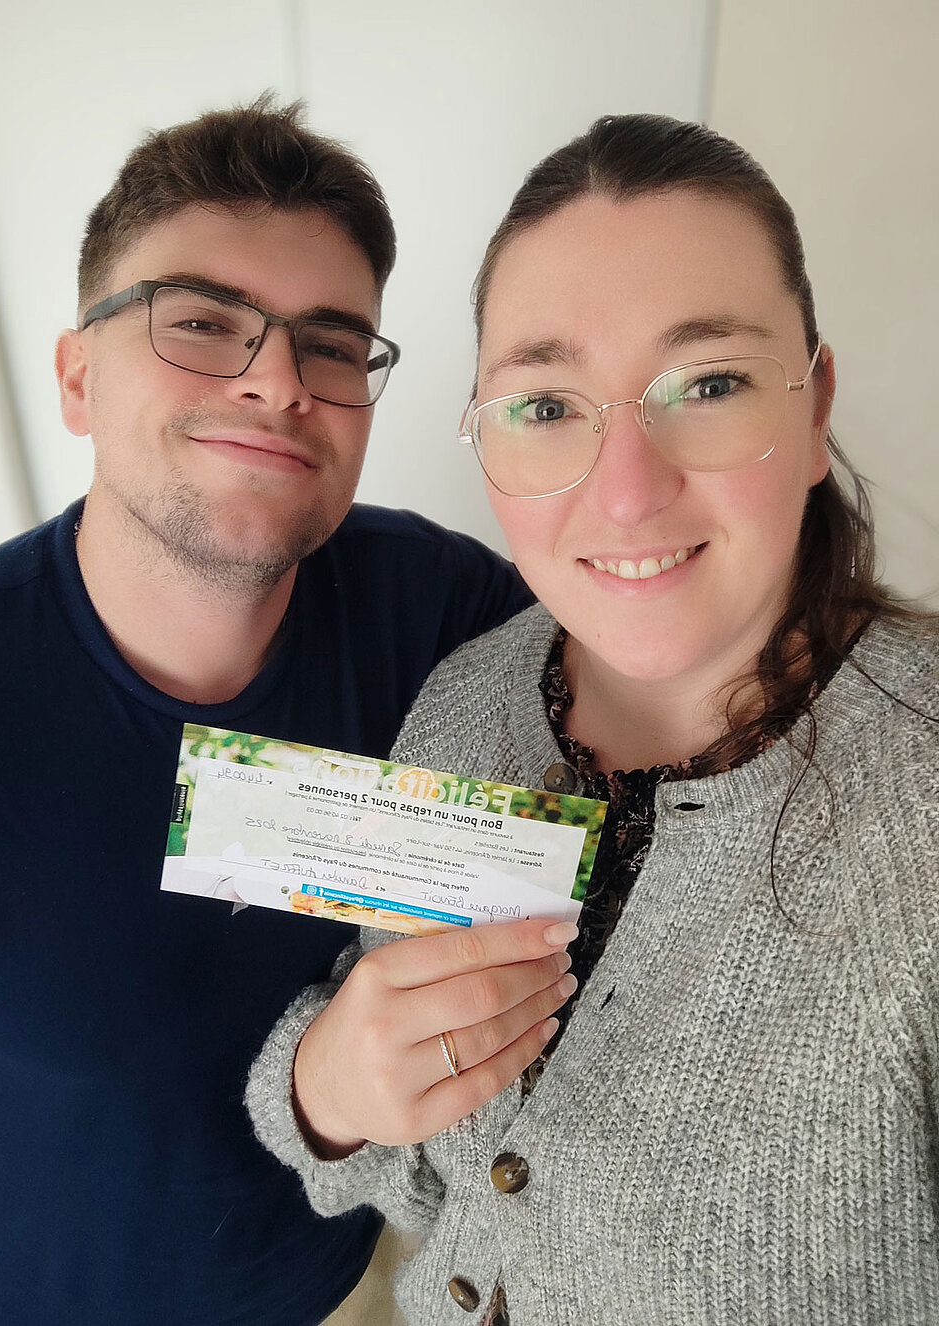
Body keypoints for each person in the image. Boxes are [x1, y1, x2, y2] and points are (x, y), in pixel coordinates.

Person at [245, 113, 939, 1325]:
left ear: (813, 405)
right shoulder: (461, 705)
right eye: (544, 404)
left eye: (708, 384)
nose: (625, 493)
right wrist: (326, 1096)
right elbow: (421, 1172)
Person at [0, 97, 531, 1326]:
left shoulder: (448, 610)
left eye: (331, 344)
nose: (277, 382)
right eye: (203, 323)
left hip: (348, 1285)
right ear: (78, 377)